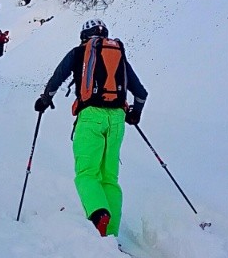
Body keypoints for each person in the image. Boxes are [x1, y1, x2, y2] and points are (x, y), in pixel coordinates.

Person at [34, 19, 147, 237]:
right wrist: (135, 113)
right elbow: (141, 92)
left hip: (90, 117)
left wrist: (45, 100)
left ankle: (98, 214)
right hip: (117, 120)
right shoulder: (119, 56)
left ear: (84, 35)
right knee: (109, 178)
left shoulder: (79, 52)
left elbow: (58, 77)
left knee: (87, 173)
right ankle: (111, 234)